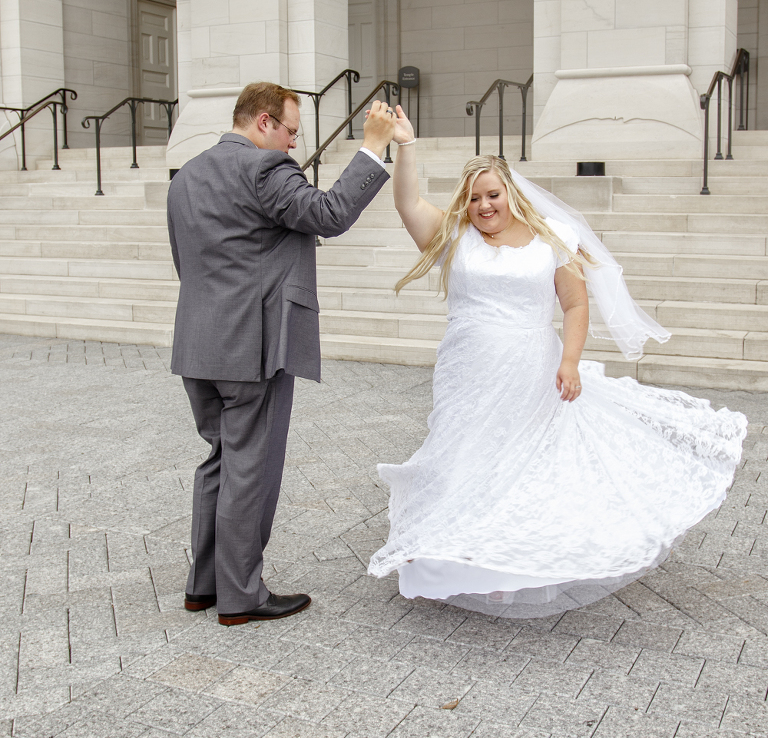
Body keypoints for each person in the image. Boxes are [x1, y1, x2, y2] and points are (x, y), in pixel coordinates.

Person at [368, 106, 747, 618]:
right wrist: (406, 145)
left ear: (510, 194)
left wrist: (570, 362)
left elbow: (575, 304)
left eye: (493, 195)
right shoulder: (453, 236)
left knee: (518, 459)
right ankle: (445, 545)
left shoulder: (551, 240)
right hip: (467, 369)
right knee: (460, 450)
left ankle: (503, 559)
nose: (484, 205)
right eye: (475, 197)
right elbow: (407, 200)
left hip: (530, 368)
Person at [168, 82, 396, 625]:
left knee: (221, 461)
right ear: (265, 122)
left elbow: (186, 261)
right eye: (292, 132)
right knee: (252, 469)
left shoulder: (188, 175)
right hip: (254, 346)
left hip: (199, 341)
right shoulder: (264, 170)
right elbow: (331, 213)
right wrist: (372, 146)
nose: (294, 145)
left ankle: (205, 586)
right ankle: (241, 597)